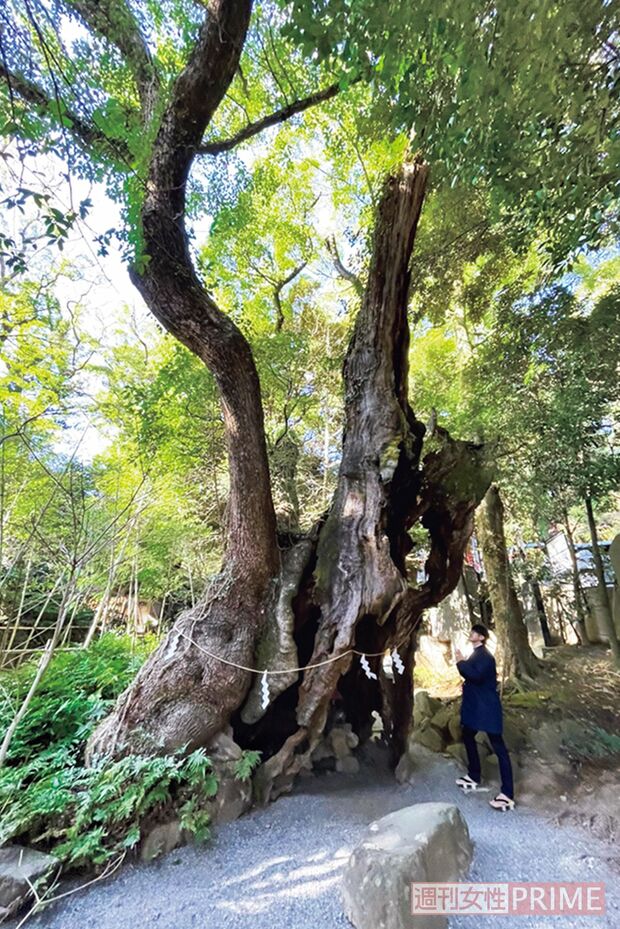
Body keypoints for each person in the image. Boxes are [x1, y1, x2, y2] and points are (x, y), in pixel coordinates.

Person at [454, 623, 515, 811]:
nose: (471, 634)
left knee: (499, 747)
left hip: (487, 708)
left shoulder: (485, 656)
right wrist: (463, 662)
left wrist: (460, 662)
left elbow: (475, 675)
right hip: (478, 707)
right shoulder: (477, 654)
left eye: (475, 632)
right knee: (467, 735)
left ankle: (507, 794)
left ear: (481, 637)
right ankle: (474, 774)